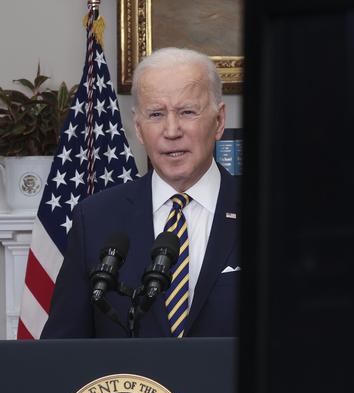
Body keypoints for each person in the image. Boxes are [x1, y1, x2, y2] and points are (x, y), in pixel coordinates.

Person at [42, 47, 239, 338]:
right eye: (156, 114)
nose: (171, 131)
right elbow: (61, 351)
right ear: (138, 126)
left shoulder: (270, 211)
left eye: (187, 112)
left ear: (219, 121)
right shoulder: (95, 218)